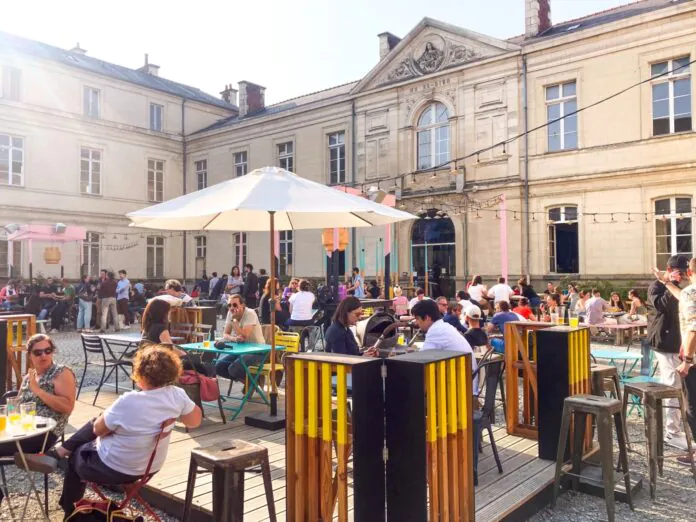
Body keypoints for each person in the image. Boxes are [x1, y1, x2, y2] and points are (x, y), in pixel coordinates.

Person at [53, 344, 202, 516]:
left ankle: (69, 510)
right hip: (149, 467)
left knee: (77, 454)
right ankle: (61, 452)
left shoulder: (129, 401)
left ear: (141, 372)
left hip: (114, 468)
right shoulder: (177, 395)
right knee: (103, 426)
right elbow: (194, 421)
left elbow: (98, 430)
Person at [0, 335, 76, 460]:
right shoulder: (28, 377)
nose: (44, 356)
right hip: (21, 430)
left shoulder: (61, 372)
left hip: (44, 433)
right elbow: (16, 405)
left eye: (48, 351)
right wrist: (9, 409)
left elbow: (67, 407)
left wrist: (38, 390)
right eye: (38, 352)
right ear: (29, 355)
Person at [648, 255, 690, 449]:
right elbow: (662, 306)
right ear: (669, 269)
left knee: (684, 388)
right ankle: (671, 432)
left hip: (681, 344)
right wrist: (669, 283)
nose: (681, 276)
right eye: (678, 272)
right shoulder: (656, 286)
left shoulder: (685, 288)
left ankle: (679, 426)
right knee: (672, 387)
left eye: (683, 272)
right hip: (665, 343)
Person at [411, 299, 477, 388]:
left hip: (462, 385)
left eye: (417, 318)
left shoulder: (435, 331)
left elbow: (421, 361)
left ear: (427, 318)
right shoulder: (444, 326)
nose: (416, 322)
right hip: (468, 378)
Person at [215, 295, 267, 385]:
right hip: (241, 350)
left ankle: (252, 381)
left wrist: (235, 320)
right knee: (218, 367)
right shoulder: (229, 313)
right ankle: (250, 382)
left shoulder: (250, 313)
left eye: (235, 305)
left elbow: (244, 335)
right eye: (229, 305)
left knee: (233, 369)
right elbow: (225, 334)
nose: (232, 308)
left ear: (242, 305)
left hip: (257, 350)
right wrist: (234, 339)